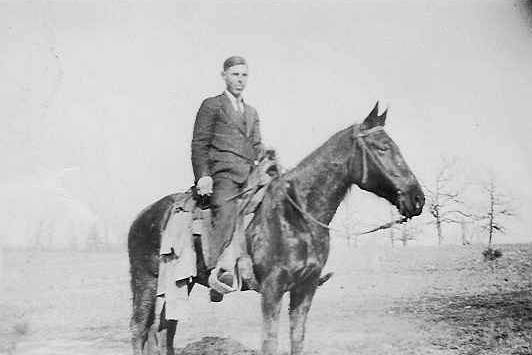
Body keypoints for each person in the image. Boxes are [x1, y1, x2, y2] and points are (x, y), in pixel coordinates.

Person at [191, 56, 263, 300]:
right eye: (235, 74)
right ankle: (219, 271)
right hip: (223, 174)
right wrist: (203, 176)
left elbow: (256, 145)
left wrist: (267, 156)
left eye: (244, 75)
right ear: (224, 75)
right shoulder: (212, 105)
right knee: (225, 207)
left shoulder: (251, 112)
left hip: (250, 174)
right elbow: (199, 143)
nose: (240, 80)